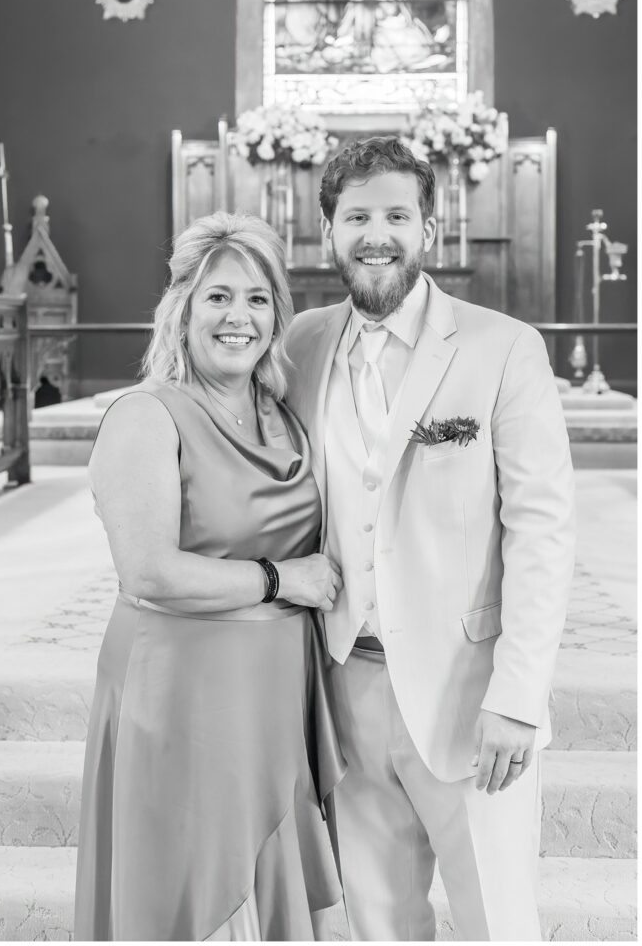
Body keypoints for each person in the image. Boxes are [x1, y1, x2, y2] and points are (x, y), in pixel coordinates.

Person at [285, 136, 576, 941]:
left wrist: (518, 697)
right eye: (356, 217)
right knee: (378, 923)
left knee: (497, 920)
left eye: (395, 215)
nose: (376, 234)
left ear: (429, 231)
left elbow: (543, 531)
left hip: (469, 692)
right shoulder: (300, 343)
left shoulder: (502, 347)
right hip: (345, 682)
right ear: (329, 232)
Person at [74, 211, 345, 942]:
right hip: (184, 692)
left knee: (272, 887)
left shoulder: (284, 416)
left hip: (279, 691)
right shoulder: (146, 415)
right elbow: (150, 573)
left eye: (258, 299)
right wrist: (282, 580)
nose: (239, 317)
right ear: (182, 308)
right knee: (191, 894)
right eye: (218, 296)